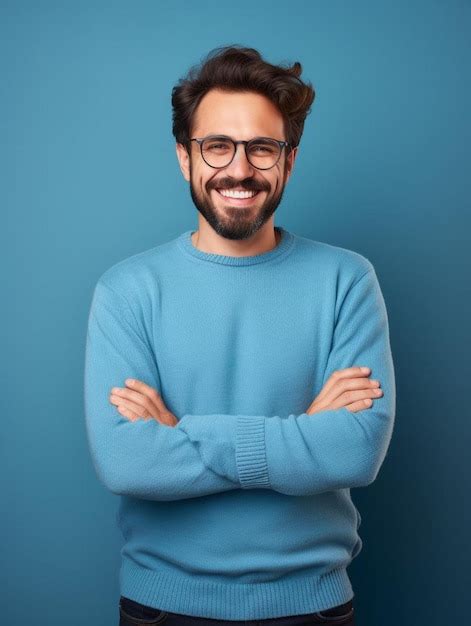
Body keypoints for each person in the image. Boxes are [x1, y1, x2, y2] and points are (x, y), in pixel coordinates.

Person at [84, 45, 396, 626]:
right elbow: (127, 463)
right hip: (161, 609)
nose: (240, 169)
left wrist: (181, 434)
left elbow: (354, 452)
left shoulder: (346, 280)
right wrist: (302, 434)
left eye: (262, 148)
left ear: (290, 160)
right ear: (185, 157)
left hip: (314, 608)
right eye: (217, 146)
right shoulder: (127, 291)